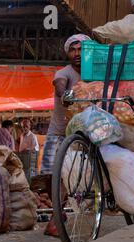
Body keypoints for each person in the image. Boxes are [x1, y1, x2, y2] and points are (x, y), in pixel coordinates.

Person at [40, 34, 90, 174]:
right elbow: (60, 86)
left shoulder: (94, 74)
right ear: (68, 53)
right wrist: (66, 95)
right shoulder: (63, 73)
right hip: (58, 133)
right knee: (49, 174)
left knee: (80, 176)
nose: (77, 53)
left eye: (81, 49)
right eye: (72, 50)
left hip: (86, 133)